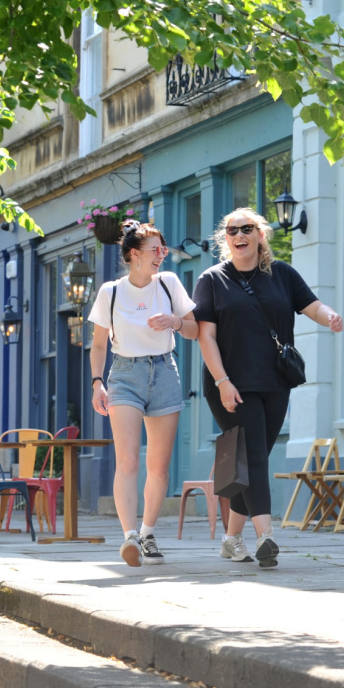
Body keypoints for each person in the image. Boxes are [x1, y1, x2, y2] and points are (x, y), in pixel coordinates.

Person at [193, 207, 344, 568]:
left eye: (247, 229)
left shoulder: (283, 275)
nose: (239, 235)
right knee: (256, 456)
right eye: (232, 231)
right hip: (230, 384)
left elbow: (311, 306)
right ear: (225, 239)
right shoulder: (212, 280)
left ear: (261, 235)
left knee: (251, 459)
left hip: (276, 380)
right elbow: (205, 337)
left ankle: (231, 539)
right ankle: (266, 536)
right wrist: (223, 381)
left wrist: (331, 317)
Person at [89, 220, 198, 567]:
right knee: (128, 460)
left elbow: (195, 330)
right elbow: (97, 344)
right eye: (156, 250)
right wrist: (97, 383)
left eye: (163, 250)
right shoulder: (112, 292)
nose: (162, 256)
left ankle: (148, 532)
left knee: (159, 465)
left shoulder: (169, 283)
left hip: (165, 371)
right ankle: (129, 537)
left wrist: (174, 322)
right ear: (134, 255)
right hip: (124, 375)